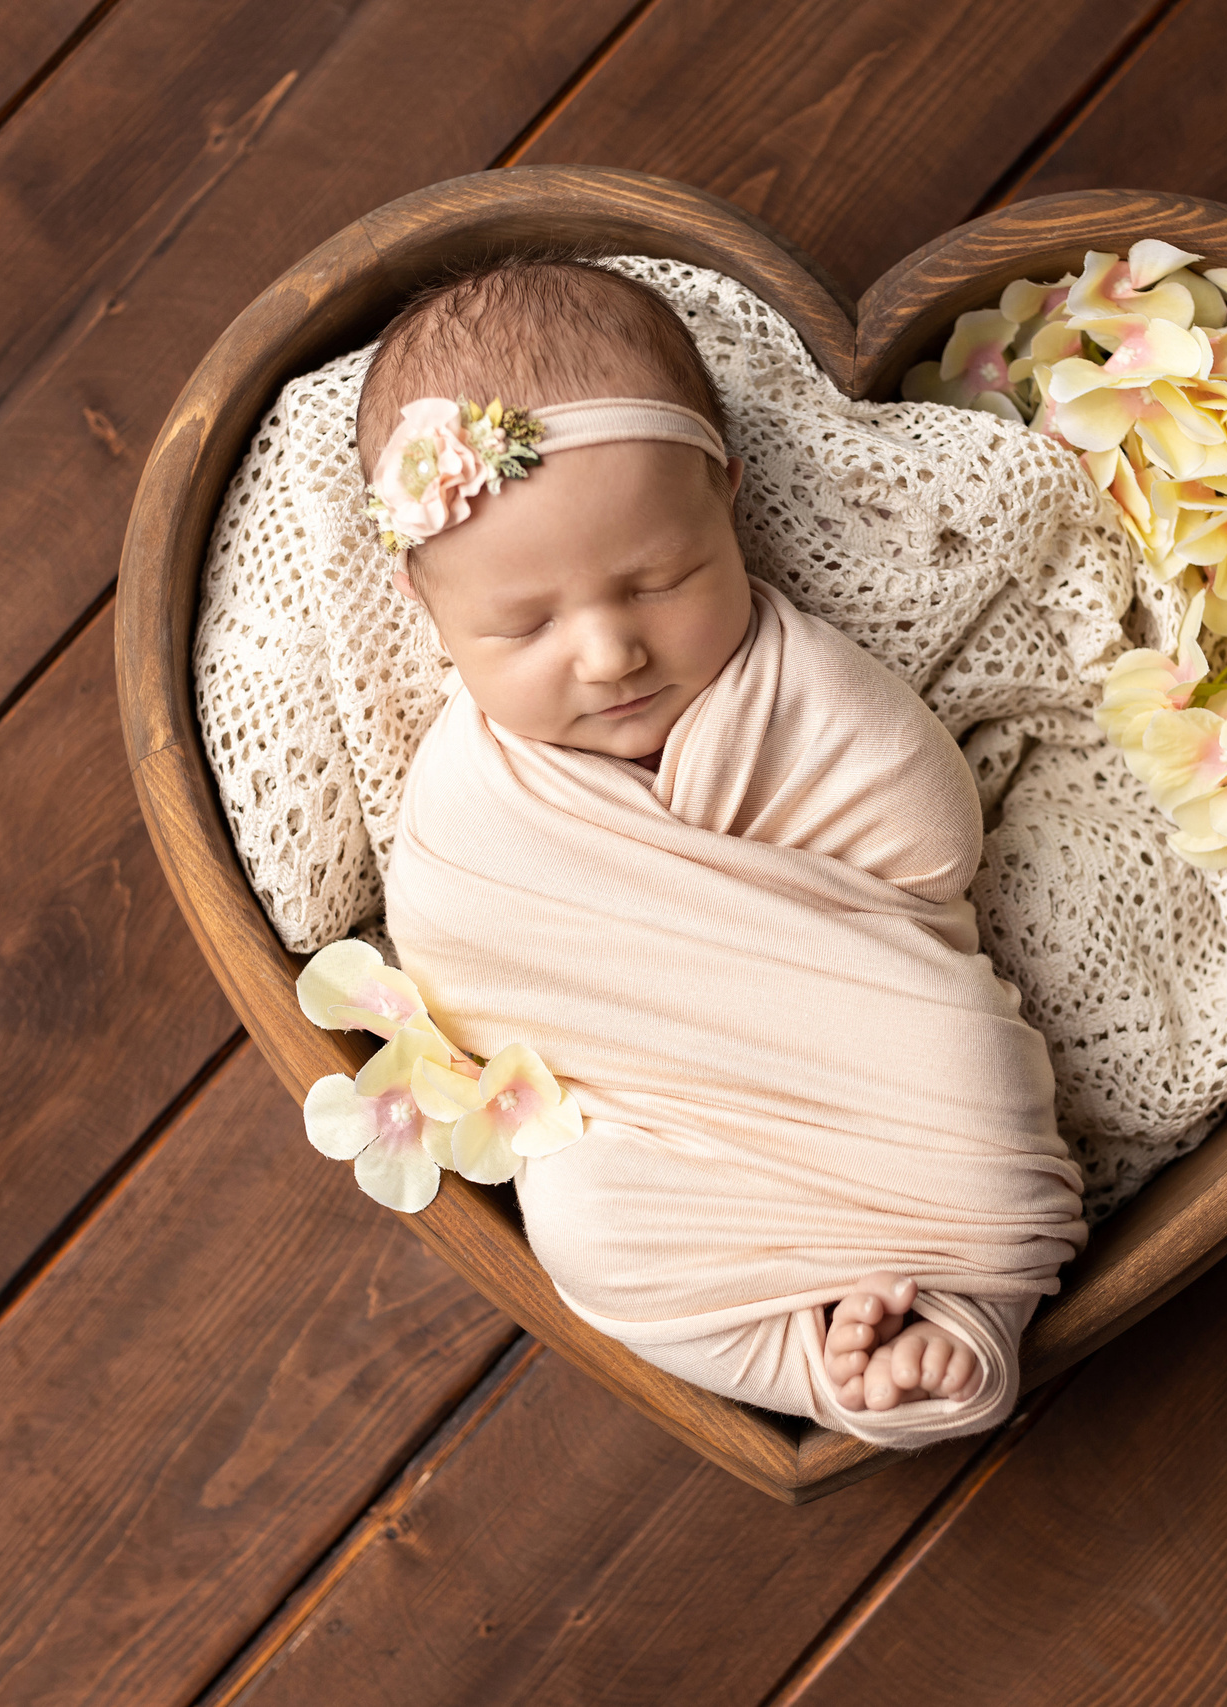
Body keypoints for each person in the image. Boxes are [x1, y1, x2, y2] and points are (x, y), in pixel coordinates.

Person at [359, 255, 1086, 1444]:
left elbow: (929, 839)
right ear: (426, 604)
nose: (609, 655)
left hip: (883, 1066)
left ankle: (969, 1309)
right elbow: (459, 953)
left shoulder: (805, 693)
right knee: (587, 1228)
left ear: (728, 503)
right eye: (525, 625)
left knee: (974, 1064)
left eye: (658, 582)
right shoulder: (471, 807)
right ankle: (812, 1361)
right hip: (662, 1133)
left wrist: (784, 918)